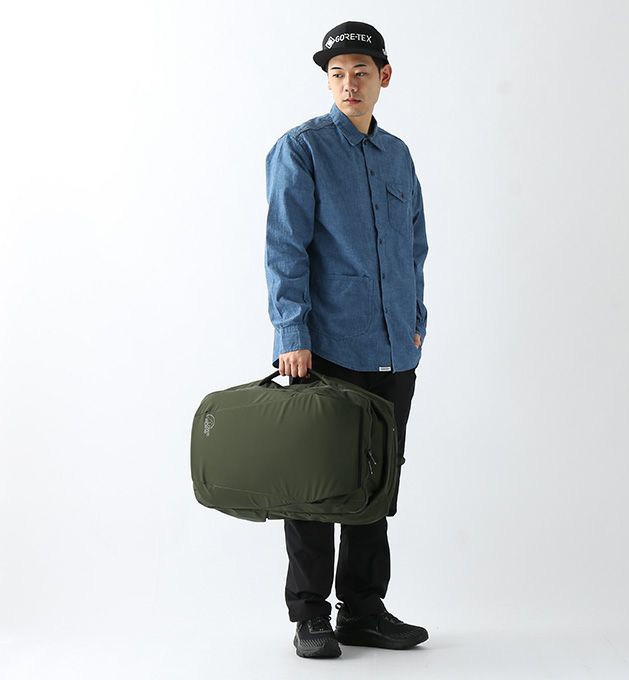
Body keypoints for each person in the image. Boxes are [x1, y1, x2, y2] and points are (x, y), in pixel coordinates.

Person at [264, 20, 429, 659]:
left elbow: (414, 245)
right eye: (337, 74)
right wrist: (291, 332)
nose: (348, 84)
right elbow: (285, 247)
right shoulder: (301, 149)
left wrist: (416, 320)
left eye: (361, 72)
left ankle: (363, 609)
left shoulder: (398, 156)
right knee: (315, 482)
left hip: (393, 348)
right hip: (324, 345)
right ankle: (309, 614)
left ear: (383, 77)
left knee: (376, 481)